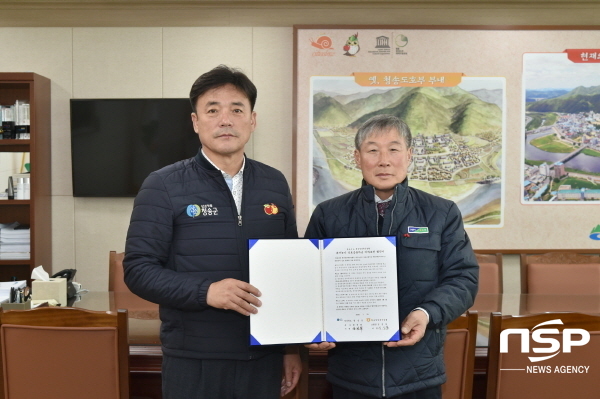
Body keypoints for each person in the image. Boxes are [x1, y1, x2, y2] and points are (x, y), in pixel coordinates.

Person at [123, 65, 301, 399]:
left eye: (237, 109)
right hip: (194, 359)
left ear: (252, 120)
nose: (225, 120)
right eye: (213, 110)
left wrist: (291, 348)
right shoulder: (162, 185)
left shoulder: (274, 183)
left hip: (262, 356)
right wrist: (206, 291)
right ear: (195, 121)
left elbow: (289, 269)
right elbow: (138, 270)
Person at [304, 114, 478, 399]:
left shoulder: (441, 212)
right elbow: (308, 282)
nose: (384, 160)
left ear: (409, 155)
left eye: (393, 149)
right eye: (373, 150)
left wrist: (426, 313)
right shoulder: (329, 214)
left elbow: (463, 278)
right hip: (351, 374)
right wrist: (311, 329)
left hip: (418, 374)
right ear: (357, 158)